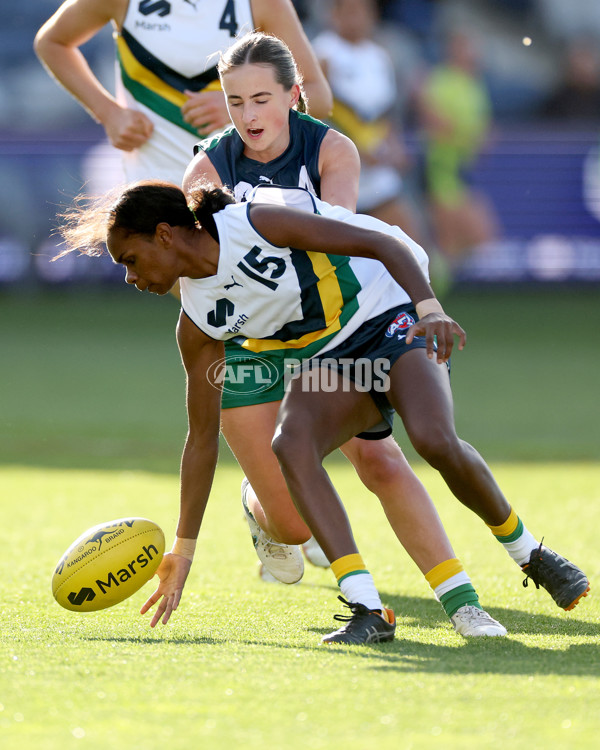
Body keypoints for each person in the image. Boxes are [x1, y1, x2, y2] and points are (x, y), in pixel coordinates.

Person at [56, 179, 590, 644]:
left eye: (130, 259)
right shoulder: (196, 320)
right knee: (291, 443)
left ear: (166, 235)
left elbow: (379, 240)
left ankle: (531, 556)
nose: (130, 277)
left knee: (432, 441)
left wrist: (430, 307)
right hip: (333, 356)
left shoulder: (255, 223)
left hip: (392, 315)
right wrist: (184, 550)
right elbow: (200, 439)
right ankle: (367, 608)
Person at [183, 31, 508, 637]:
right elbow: (205, 266)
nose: (248, 116)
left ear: (293, 94)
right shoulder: (206, 167)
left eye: (261, 99)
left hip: (329, 331)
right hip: (253, 341)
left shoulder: (333, 151)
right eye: (234, 102)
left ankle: (463, 602)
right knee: (291, 526)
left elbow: (330, 244)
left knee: (382, 459)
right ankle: (260, 512)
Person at [34, 0, 333, 186]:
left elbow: (318, 96)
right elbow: (52, 42)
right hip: (156, 181)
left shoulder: (264, 3)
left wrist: (241, 105)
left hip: (246, 182)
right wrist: (109, 114)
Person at [311, 0, 423, 241]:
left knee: (410, 247)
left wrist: (394, 147)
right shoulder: (323, 53)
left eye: (364, 11)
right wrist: (351, 151)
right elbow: (313, 114)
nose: (358, 18)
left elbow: (386, 114)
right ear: (335, 15)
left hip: (378, 172)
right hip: (338, 175)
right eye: (350, 11)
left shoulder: (381, 57)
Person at [414, 29, 500, 264]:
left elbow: (483, 128)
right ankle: (434, 292)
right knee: (450, 240)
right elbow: (434, 122)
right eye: (465, 46)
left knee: (475, 239)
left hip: (464, 171)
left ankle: (445, 287)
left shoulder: (475, 85)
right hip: (441, 170)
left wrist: (480, 139)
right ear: (452, 50)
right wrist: (466, 136)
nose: (471, 53)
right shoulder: (440, 79)